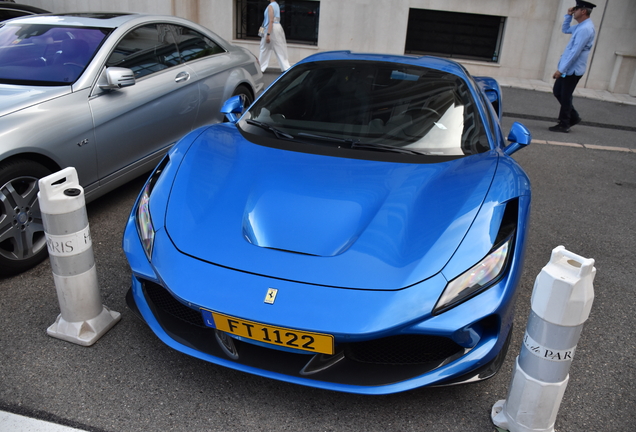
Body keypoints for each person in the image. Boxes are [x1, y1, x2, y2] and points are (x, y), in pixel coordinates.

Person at [549, 0, 596, 133]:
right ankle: (573, 117)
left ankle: (564, 124)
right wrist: (568, 16)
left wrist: (561, 70)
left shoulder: (586, 29)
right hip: (569, 68)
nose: (573, 10)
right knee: (558, 92)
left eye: (576, 9)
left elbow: (575, 52)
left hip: (572, 70)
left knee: (565, 96)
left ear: (583, 11)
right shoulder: (582, 26)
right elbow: (565, 29)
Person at [259, 0, 290, 73]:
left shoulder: (270, 6)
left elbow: (271, 21)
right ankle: (286, 67)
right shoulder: (276, 5)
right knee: (279, 48)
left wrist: (268, 34)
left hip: (271, 28)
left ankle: (260, 68)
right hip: (277, 27)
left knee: (264, 48)